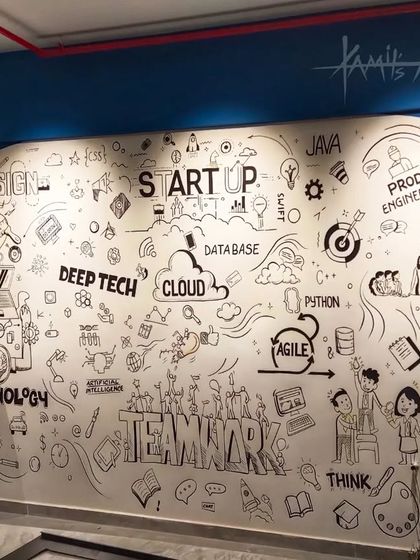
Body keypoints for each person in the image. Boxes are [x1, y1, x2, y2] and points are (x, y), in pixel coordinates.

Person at [384, 386, 420, 465]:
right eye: (402, 401)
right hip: (403, 438)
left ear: (416, 406)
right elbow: (394, 425)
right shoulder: (400, 420)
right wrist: (389, 417)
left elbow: (418, 430)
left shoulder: (414, 421)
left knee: (413, 450)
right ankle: (404, 460)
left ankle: (412, 461)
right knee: (403, 449)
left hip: (411, 438)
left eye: (409, 403)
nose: (404, 405)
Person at [331, 389, 357, 465]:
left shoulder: (349, 417)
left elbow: (353, 424)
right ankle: (338, 459)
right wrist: (351, 426)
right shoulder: (339, 418)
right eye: (342, 402)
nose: (346, 404)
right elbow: (344, 423)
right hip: (340, 436)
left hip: (348, 436)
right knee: (339, 448)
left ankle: (349, 459)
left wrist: (354, 425)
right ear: (337, 408)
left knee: (348, 448)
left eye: (346, 400)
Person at [354, 367, 381, 434]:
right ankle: (360, 430)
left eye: (369, 382)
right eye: (364, 381)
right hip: (361, 408)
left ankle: (372, 429)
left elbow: (376, 400)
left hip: (369, 409)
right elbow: (357, 382)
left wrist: (380, 407)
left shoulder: (372, 393)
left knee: (370, 419)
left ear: (374, 386)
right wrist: (356, 373)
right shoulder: (360, 390)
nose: (365, 385)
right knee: (361, 419)